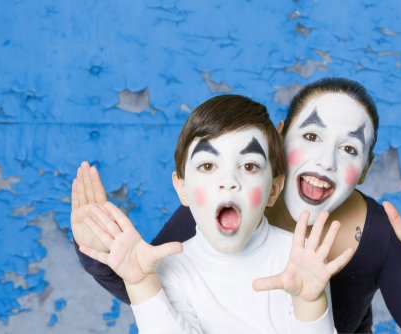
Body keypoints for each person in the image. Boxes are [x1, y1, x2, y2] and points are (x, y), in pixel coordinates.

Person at [72, 78, 401, 333]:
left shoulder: (377, 233)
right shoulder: (229, 198)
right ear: (280, 136)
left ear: (364, 169)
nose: (325, 161)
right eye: (311, 137)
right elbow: (155, 285)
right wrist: (100, 251)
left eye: (348, 148)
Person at [73, 95, 353, 333]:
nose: (228, 180)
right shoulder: (172, 267)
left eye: (249, 166)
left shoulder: (298, 259)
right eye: (208, 166)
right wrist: (142, 284)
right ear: (182, 188)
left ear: (274, 189)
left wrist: (309, 303)